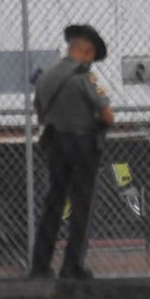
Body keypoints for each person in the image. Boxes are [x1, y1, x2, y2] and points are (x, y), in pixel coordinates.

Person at [30, 24, 113, 281]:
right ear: (87, 52)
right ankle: (72, 266)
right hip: (82, 147)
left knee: (53, 203)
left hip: (55, 145)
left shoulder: (44, 78)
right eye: (92, 57)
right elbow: (107, 115)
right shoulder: (84, 78)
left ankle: (40, 266)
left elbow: (41, 113)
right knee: (81, 207)